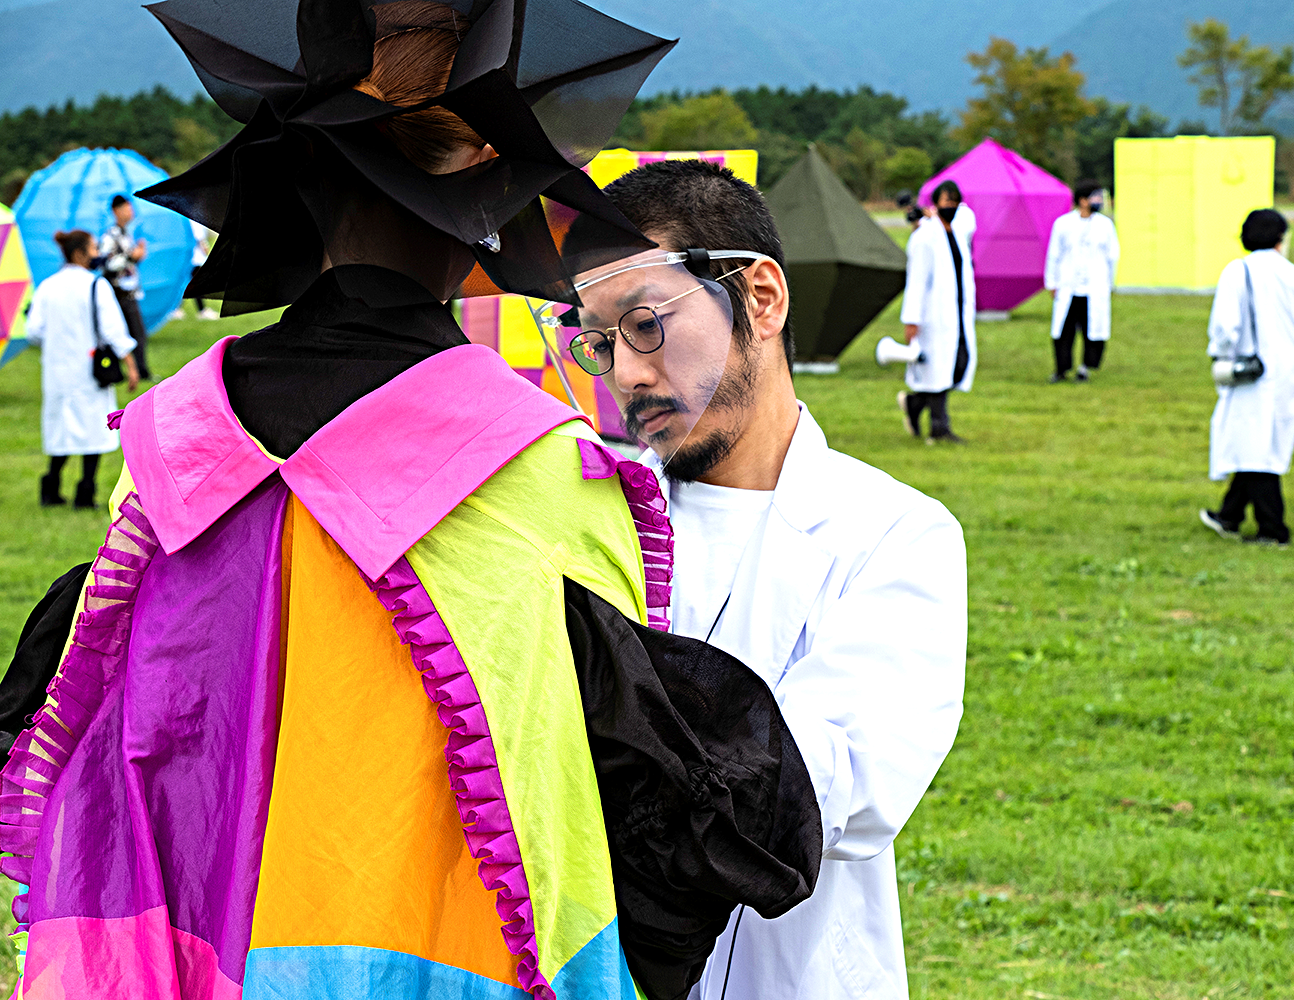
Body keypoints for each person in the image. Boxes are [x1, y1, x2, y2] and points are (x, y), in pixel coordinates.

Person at [0, 5, 820, 1000]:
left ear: (301, 185)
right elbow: (629, 814)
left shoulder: (165, 452)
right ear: (484, 205)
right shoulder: (550, 479)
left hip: (185, 961)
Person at [566, 158, 967, 1000]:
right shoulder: (587, 517)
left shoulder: (892, 535)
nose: (626, 373)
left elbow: (830, 788)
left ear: (760, 298)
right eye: (600, 342)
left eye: (645, 323)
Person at [1198, 209, 1294, 547]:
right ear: (1281, 238)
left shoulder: (1238, 271)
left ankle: (1273, 529)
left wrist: (1222, 356)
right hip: (1291, 370)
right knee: (1261, 442)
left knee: (1255, 448)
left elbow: (1225, 326)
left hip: (1253, 371)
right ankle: (1229, 514)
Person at [27, 229, 139, 509]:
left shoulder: (48, 286)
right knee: (93, 431)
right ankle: (85, 492)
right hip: (90, 372)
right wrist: (131, 364)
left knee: (60, 431)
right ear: (79, 254)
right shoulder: (96, 285)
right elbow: (113, 330)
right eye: (92, 248)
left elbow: (34, 330)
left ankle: (51, 487)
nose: (97, 253)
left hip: (57, 371)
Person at [898, 179, 977, 443]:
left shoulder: (958, 231)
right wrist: (911, 318)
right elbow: (917, 281)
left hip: (957, 312)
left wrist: (929, 216)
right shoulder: (924, 237)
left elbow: (970, 219)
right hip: (933, 315)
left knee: (957, 365)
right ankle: (939, 427)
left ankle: (914, 404)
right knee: (938, 370)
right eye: (946, 201)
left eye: (955, 201)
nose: (951, 206)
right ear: (935, 203)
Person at [1045, 179, 1119, 383]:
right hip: (1068, 286)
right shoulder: (1063, 224)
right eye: (1095, 198)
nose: (1099, 202)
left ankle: (1085, 367)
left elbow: (1112, 256)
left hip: (1095, 287)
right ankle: (1061, 369)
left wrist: (1109, 283)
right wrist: (1052, 282)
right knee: (1063, 330)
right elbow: (1054, 254)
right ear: (1083, 200)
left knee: (1092, 331)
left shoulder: (1105, 225)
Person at [98, 193, 152, 380]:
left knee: (136, 333)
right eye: (127, 208)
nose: (131, 212)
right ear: (116, 211)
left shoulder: (126, 234)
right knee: (128, 333)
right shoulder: (110, 236)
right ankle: (133, 371)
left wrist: (137, 256)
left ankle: (139, 370)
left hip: (129, 292)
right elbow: (106, 263)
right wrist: (131, 256)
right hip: (118, 293)